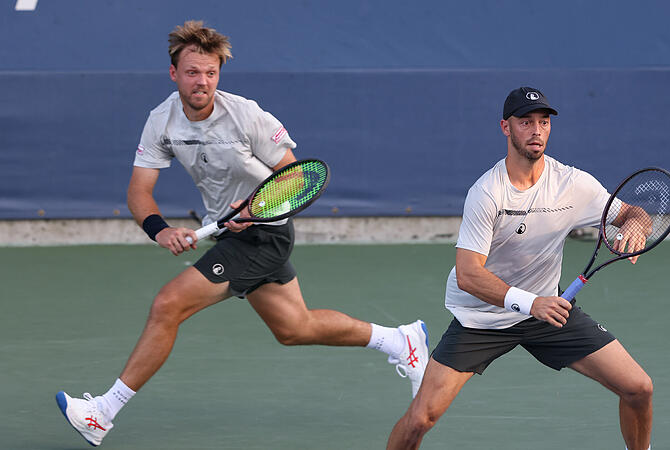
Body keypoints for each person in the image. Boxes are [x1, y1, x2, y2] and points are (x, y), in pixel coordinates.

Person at [55, 20, 428, 447]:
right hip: (226, 232)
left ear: (219, 74)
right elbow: (139, 191)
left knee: (168, 305)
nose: (202, 81)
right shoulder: (161, 120)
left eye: (210, 73)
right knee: (294, 327)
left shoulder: (246, 115)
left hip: (263, 233)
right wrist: (160, 230)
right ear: (174, 73)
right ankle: (399, 340)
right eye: (192, 72)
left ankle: (103, 412)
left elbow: (296, 176)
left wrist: (252, 209)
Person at [387, 87, 653, 450]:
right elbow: (468, 274)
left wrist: (636, 226)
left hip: (548, 312)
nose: (537, 130)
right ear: (505, 128)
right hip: (482, 319)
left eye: (543, 122)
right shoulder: (487, 192)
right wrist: (531, 303)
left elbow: (633, 214)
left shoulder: (573, 184)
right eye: (526, 122)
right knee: (420, 419)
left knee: (639, 388)